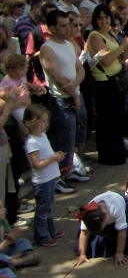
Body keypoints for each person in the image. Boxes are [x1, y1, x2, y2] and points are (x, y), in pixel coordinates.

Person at [86, 4, 128, 165]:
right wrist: (123, 46)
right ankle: (107, 154)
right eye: (100, 18)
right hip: (105, 83)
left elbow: (120, 58)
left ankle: (118, 148)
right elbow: (106, 60)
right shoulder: (95, 36)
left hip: (118, 79)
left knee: (117, 118)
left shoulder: (110, 33)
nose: (104, 21)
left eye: (106, 17)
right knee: (107, 121)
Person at [40, 10, 86, 178]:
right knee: (62, 141)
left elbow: (80, 70)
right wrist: (73, 94)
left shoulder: (68, 45)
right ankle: (59, 177)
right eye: (63, 25)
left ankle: (69, 170)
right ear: (52, 28)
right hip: (61, 101)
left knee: (73, 138)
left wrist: (74, 87)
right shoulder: (47, 49)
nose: (68, 28)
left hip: (75, 96)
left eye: (69, 24)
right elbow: (59, 79)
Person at [72, 190, 128, 266]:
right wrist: (82, 254)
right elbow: (84, 233)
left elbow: (122, 231)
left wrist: (119, 252)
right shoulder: (88, 215)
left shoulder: (116, 208)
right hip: (103, 218)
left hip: (123, 206)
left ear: (106, 214)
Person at [24, 104, 66, 247]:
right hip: (42, 181)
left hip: (49, 178)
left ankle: (50, 231)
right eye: (43, 121)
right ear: (33, 122)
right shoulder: (32, 142)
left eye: (46, 121)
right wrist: (53, 158)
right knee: (43, 209)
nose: (46, 124)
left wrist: (56, 156)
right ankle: (42, 237)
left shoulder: (42, 136)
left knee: (48, 206)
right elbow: (37, 164)